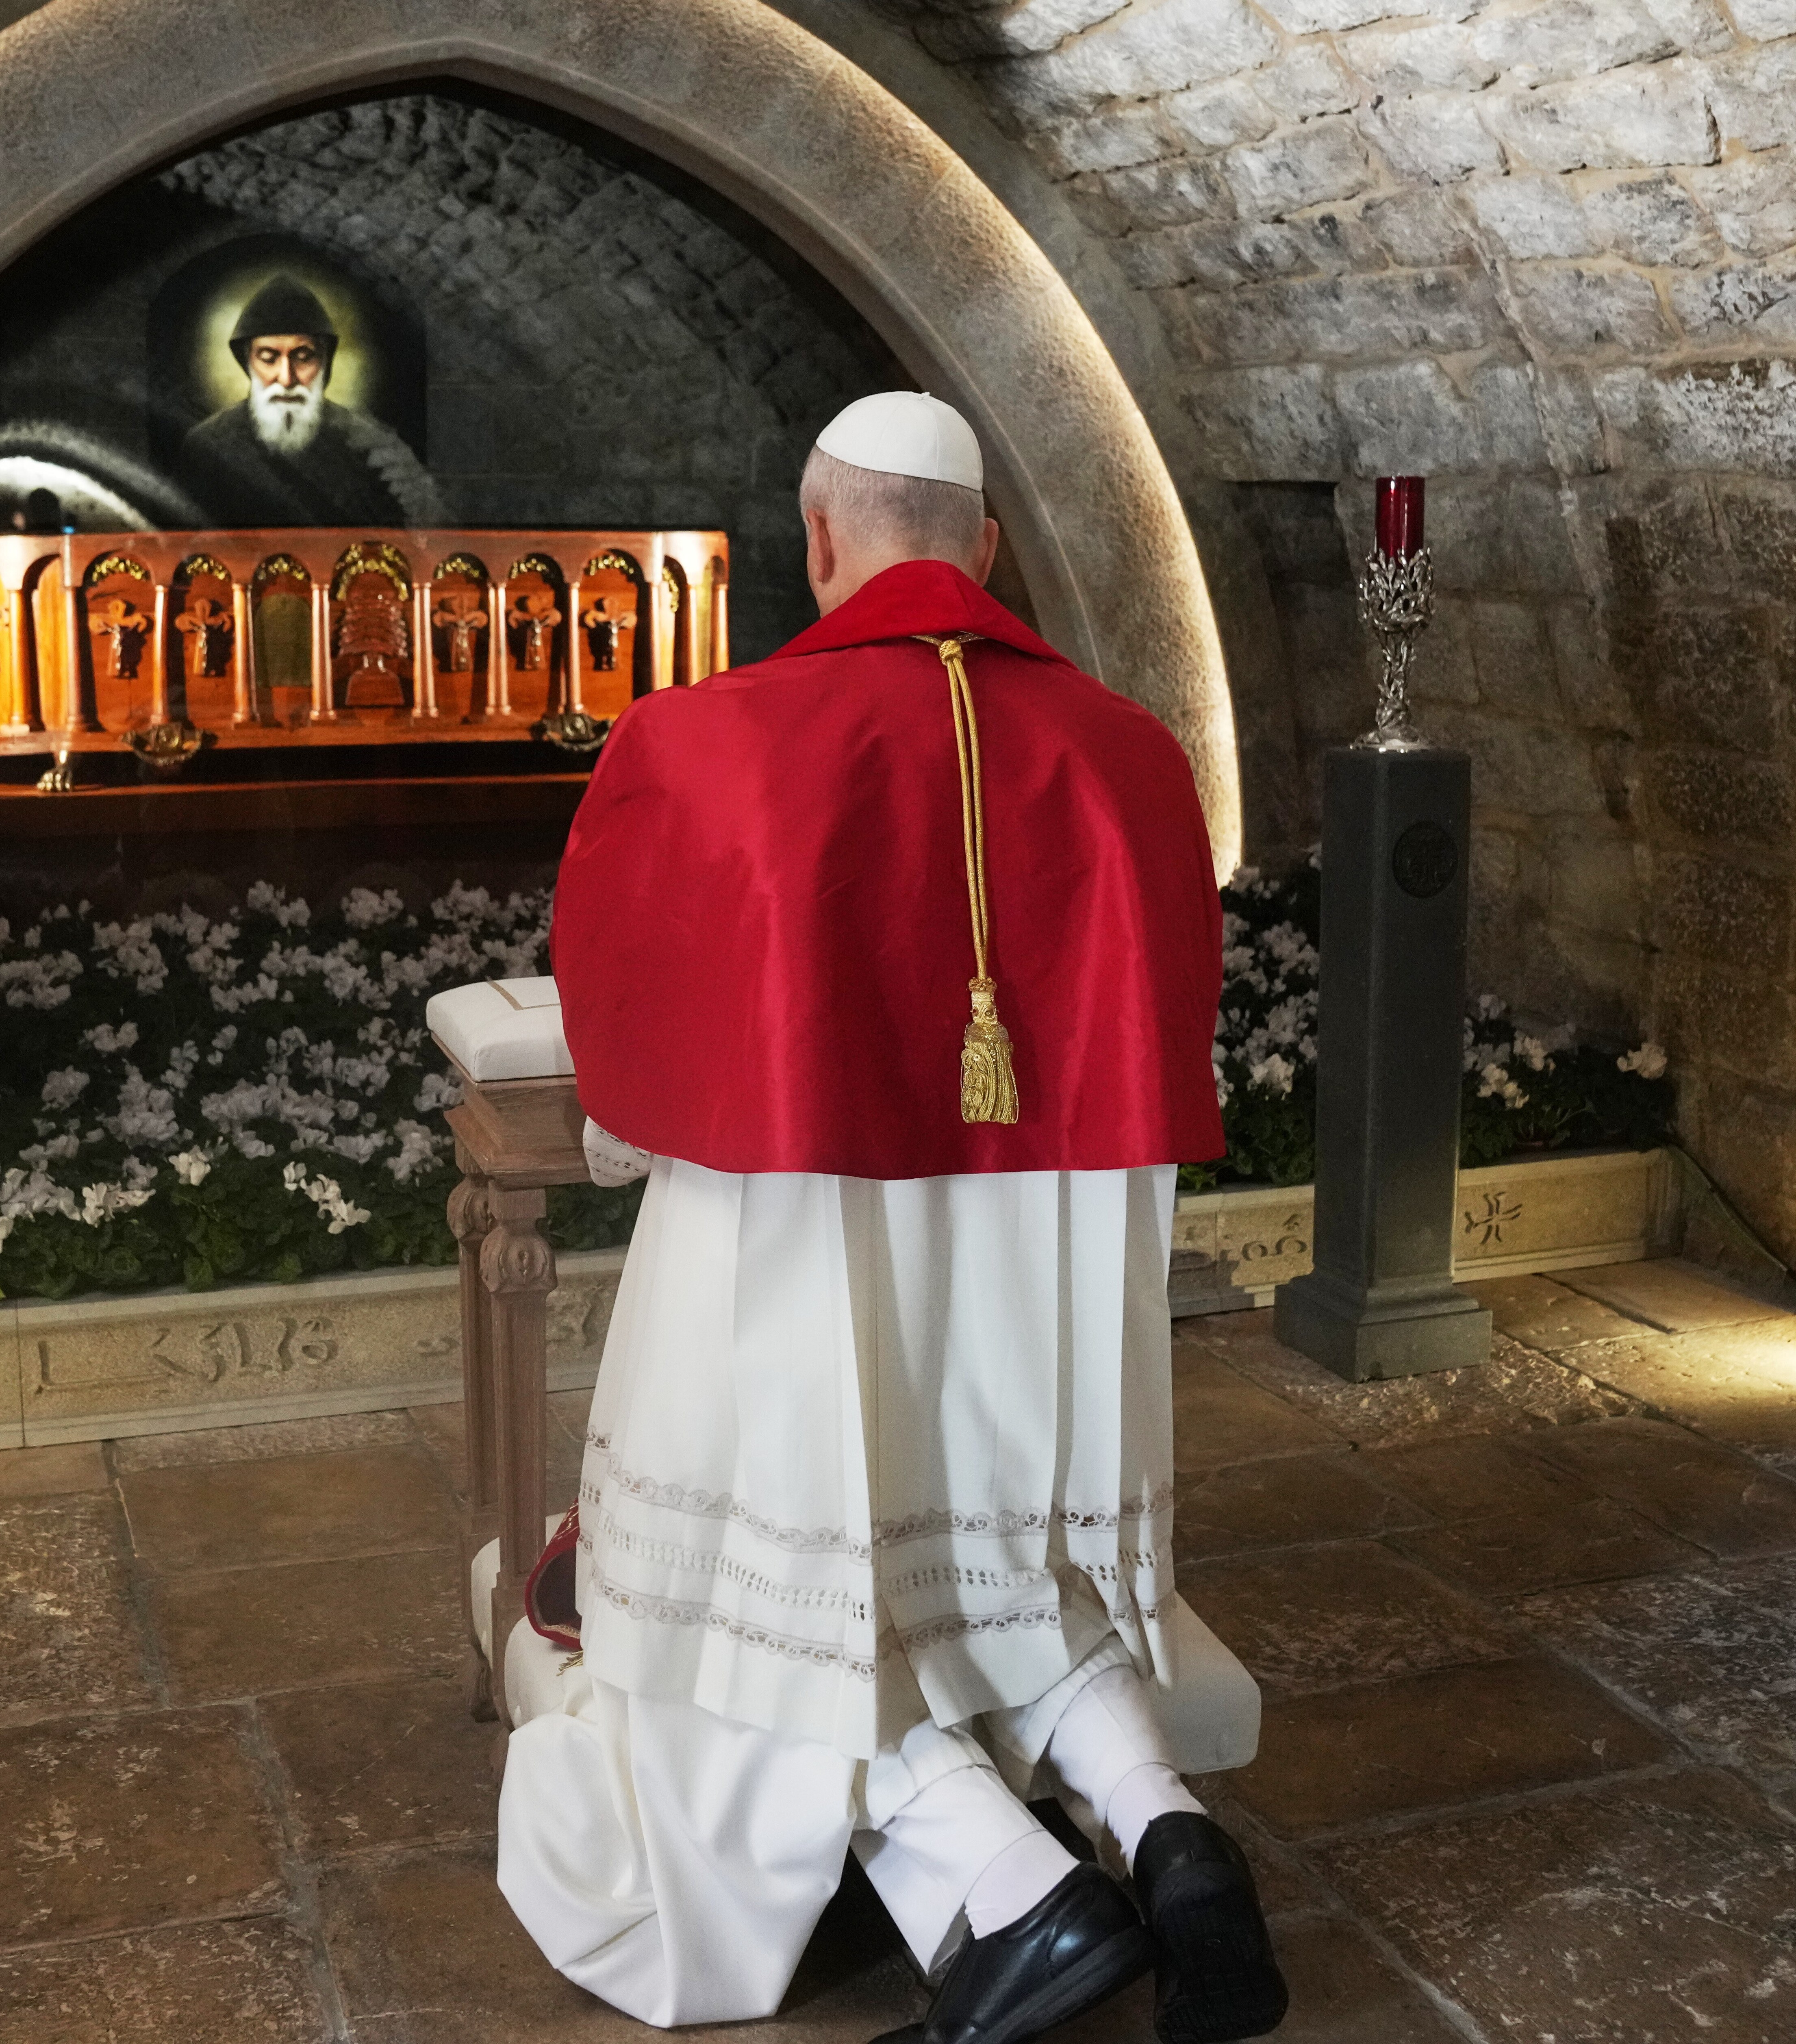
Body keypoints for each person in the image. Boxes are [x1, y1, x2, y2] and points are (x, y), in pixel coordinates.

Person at [498, 392, 1288, 2044]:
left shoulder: (699, 746)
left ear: (816, 544)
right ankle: (1163, 1825)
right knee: (993, 1570)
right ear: (987, 549)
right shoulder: (1136, 759)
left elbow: (622, 1051)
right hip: (1037, 1306)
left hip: (796, 1277)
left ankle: (1008, 1889)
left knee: (751, 1592)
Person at [173, 276, 443, 526]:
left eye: (303, 357)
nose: (287, 378)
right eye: (269, 358)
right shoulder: (207, 445)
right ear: (248, 362)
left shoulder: (367, 444)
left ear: (325, 362)